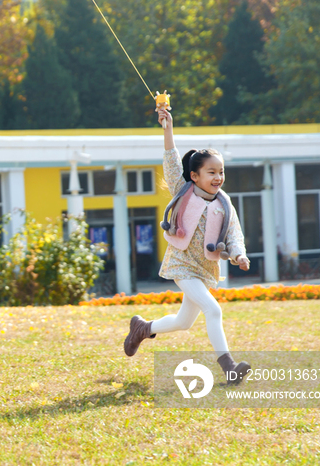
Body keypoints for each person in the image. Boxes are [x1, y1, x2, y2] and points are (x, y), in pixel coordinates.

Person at [123, 108, 252, 384]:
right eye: (211, 172)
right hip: (182, 264)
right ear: (194, 176)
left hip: (204, 268)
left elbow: (234, 234)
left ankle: (143, 328)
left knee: (184, 322)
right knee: (213, 309)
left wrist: (239, 254)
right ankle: (229, 368)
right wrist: (167, 128)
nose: (218, 177)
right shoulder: (184, 191)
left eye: (221, 172)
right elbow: (171, 162)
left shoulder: (224, 203)